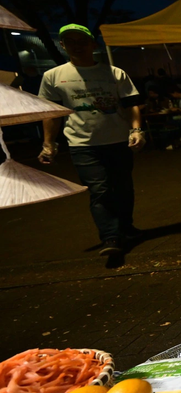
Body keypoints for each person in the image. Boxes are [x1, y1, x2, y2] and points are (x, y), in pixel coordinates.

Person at [38, 24, 144, 257]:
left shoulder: (114, 73)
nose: (77, 45)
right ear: (63, 45)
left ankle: (126, 226)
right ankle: (111, 236)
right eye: (70, 41)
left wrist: (136, 131)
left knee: (124, 187)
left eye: (82, 41)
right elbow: (51, 114)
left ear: (92, 44)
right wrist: (49, 144)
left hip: (117, 141)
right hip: (82, 144)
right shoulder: (53, 76)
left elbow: (131, 104)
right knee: (100, 189)